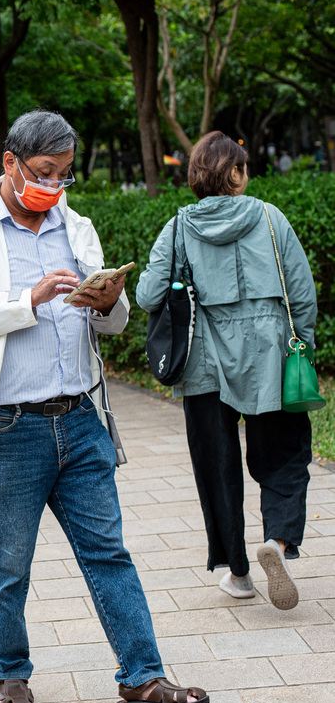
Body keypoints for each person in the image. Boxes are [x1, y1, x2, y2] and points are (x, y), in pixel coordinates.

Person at [0, 109, 209, 703]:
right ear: (10, 164)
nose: (53, 187)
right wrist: (22, 302)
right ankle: (9, 674)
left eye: (63, 176)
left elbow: (112, 321)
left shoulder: (74, 225)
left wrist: (109, 304)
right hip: (7, 429)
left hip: (80, 418)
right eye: (44, 173)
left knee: (109, 551)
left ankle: (142, 679)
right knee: (7, 562)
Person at [135, 130, 317, 610]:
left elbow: (149, 296)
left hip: (203, 363)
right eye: (244, 165)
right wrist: (305, 348)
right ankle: (276, 543)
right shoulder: (271, 219)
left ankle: (238, 573)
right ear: (233, 174)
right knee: (285, 454)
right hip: (270, 357)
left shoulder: (177, 228)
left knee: (216, 467)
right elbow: (301, 293)